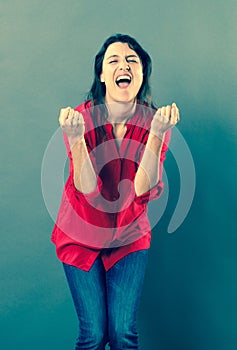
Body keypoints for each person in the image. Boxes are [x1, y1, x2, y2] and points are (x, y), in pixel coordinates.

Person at [51, 33, 180, 349]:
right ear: (102, 75)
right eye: (114, 60)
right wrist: (76, 140)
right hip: (81, 235)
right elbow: (88, 190)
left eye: (132, 60)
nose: (124, 65)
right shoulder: (81, 119)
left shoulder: (155, 122)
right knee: (93, 334)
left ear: (141, 75)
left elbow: (141, 189)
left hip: (129, 235)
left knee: (123, 333)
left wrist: (157, 134)